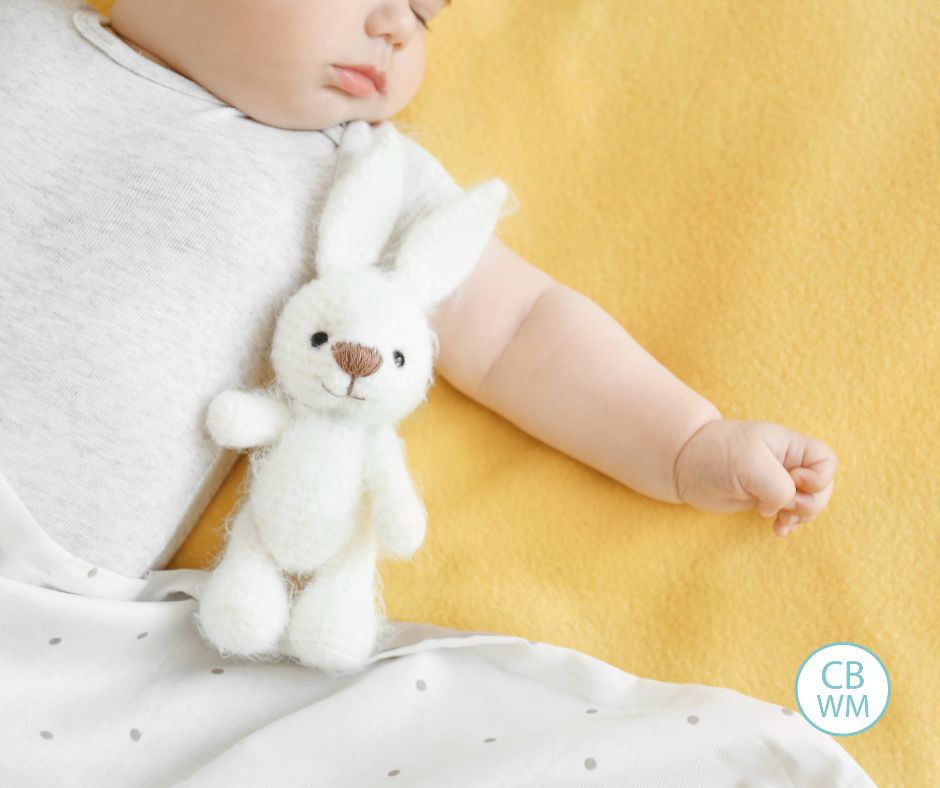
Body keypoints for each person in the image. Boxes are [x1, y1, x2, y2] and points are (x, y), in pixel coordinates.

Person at [0, 0, 835, 581]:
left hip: (36, 600)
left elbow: (517, 332)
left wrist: (687, 442)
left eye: (424, 10)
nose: (397, 25)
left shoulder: (352, 171)